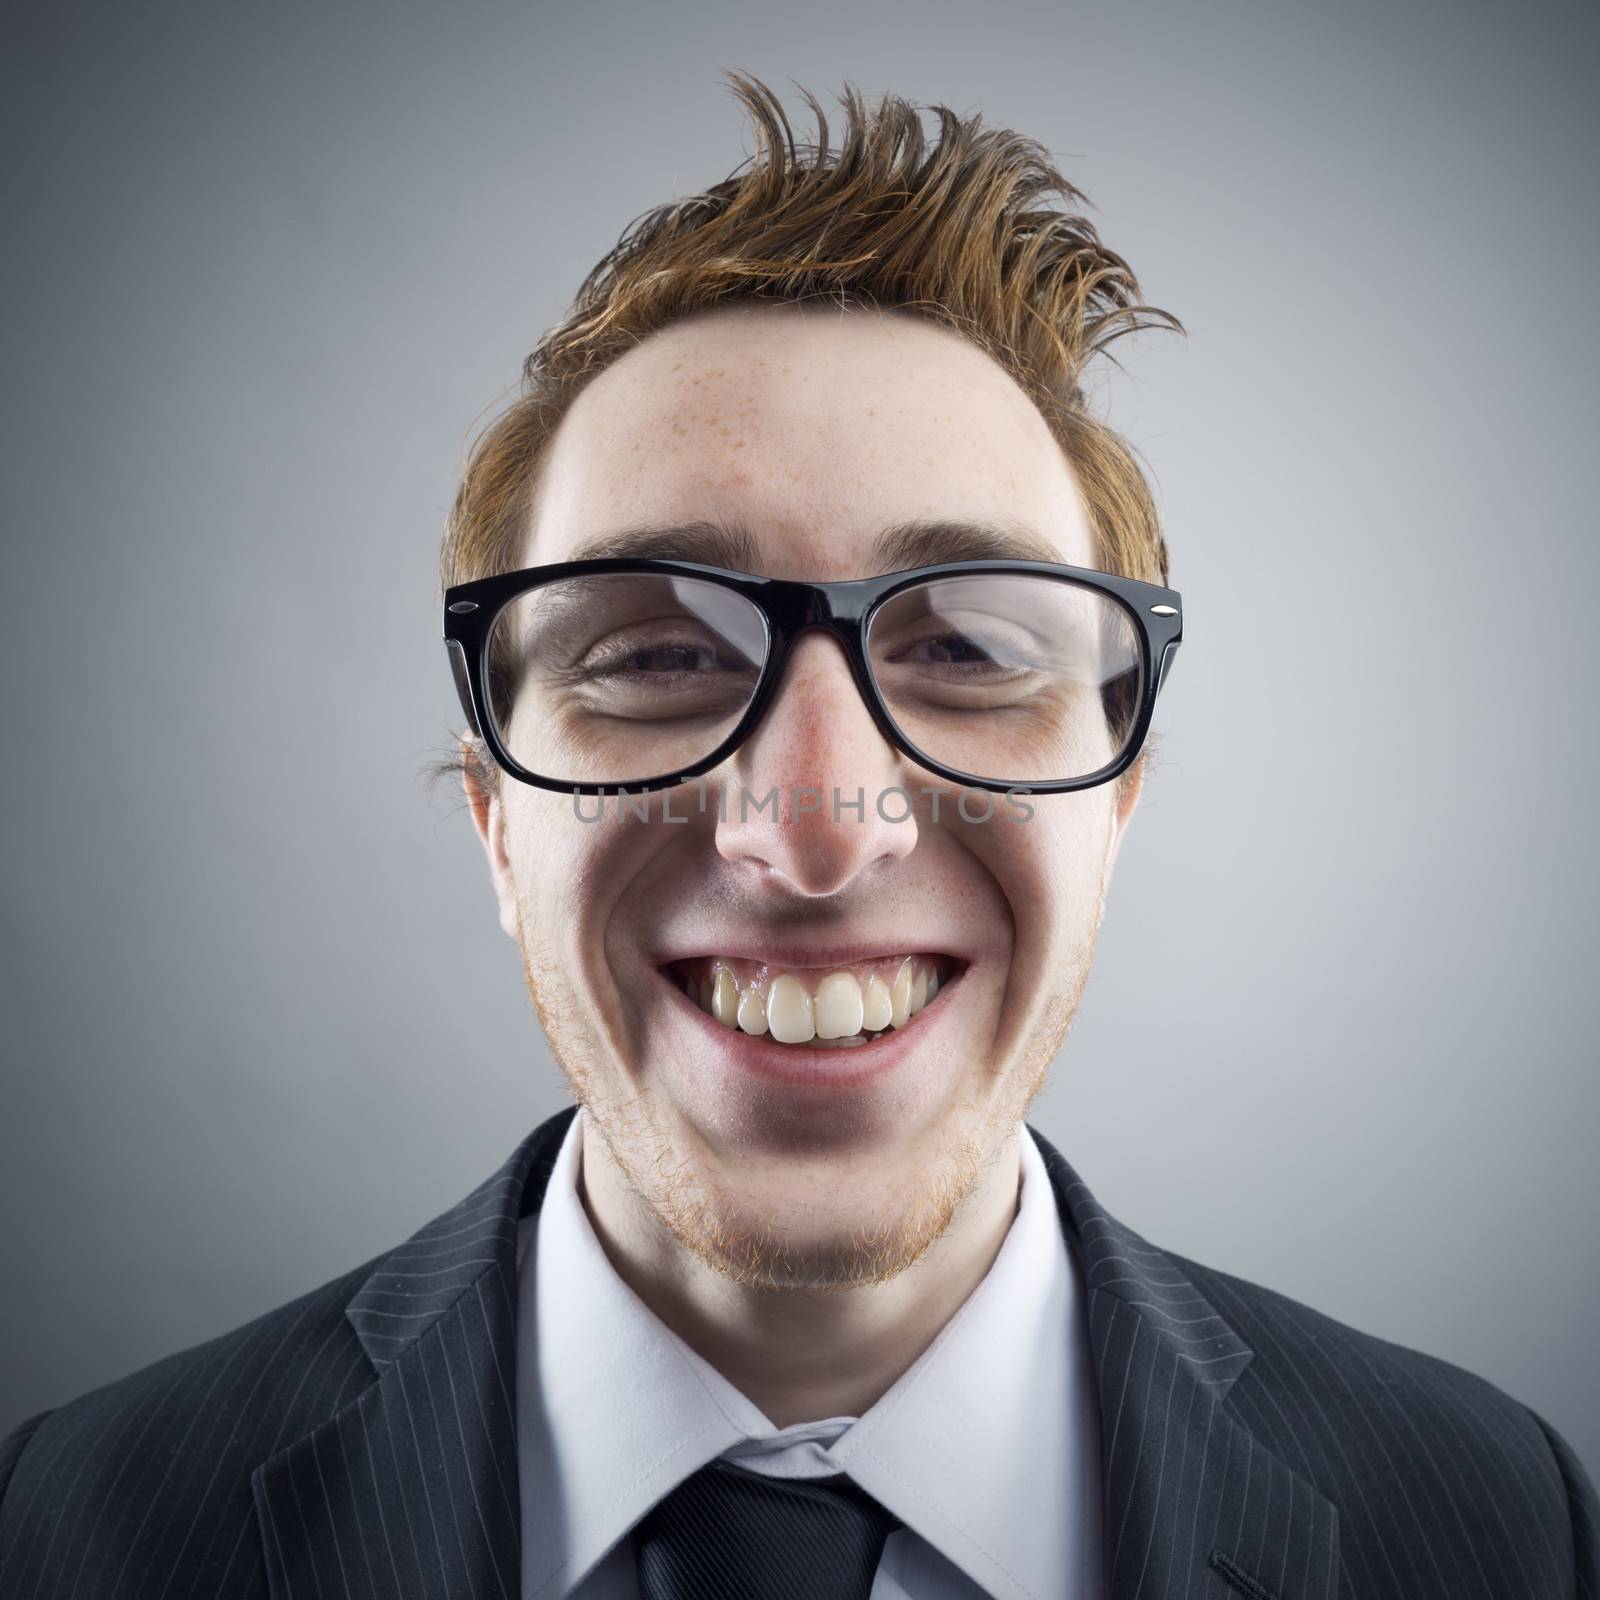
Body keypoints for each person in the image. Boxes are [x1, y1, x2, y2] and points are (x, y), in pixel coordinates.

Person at [1, 69, 1594, 1600]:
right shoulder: (71, 1530)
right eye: (658, 654)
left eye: (968, 649)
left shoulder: (1497, 1523)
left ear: (1116, 803)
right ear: (498, 823)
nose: (814, 834)